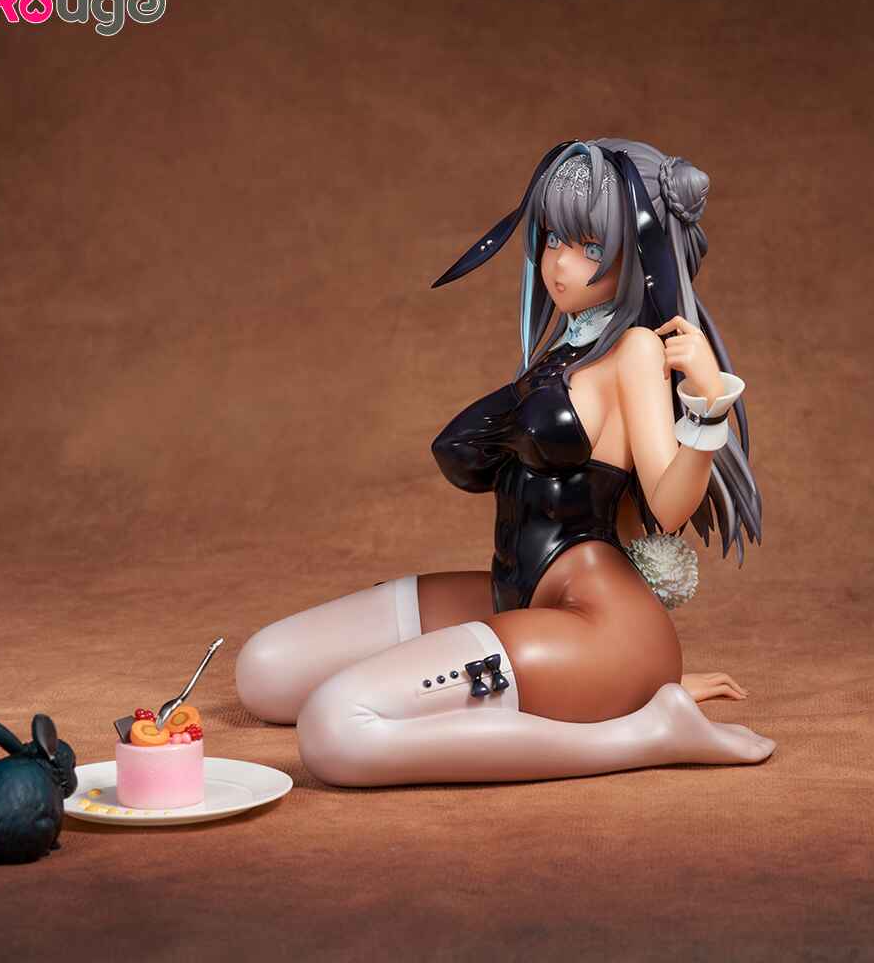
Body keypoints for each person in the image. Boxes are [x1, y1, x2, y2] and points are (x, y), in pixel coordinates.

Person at [235, 138, 772, 786]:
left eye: (590, 247)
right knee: (265, 671)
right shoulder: (563, 350)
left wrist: (709, 406)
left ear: (641, 254)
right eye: (553, 238)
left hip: (602, 624)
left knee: (335, 728)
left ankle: (646, 731)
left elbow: (669, 503)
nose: (560, 263)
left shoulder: (634, 351)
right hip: (520, 595)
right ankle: (609, 689)